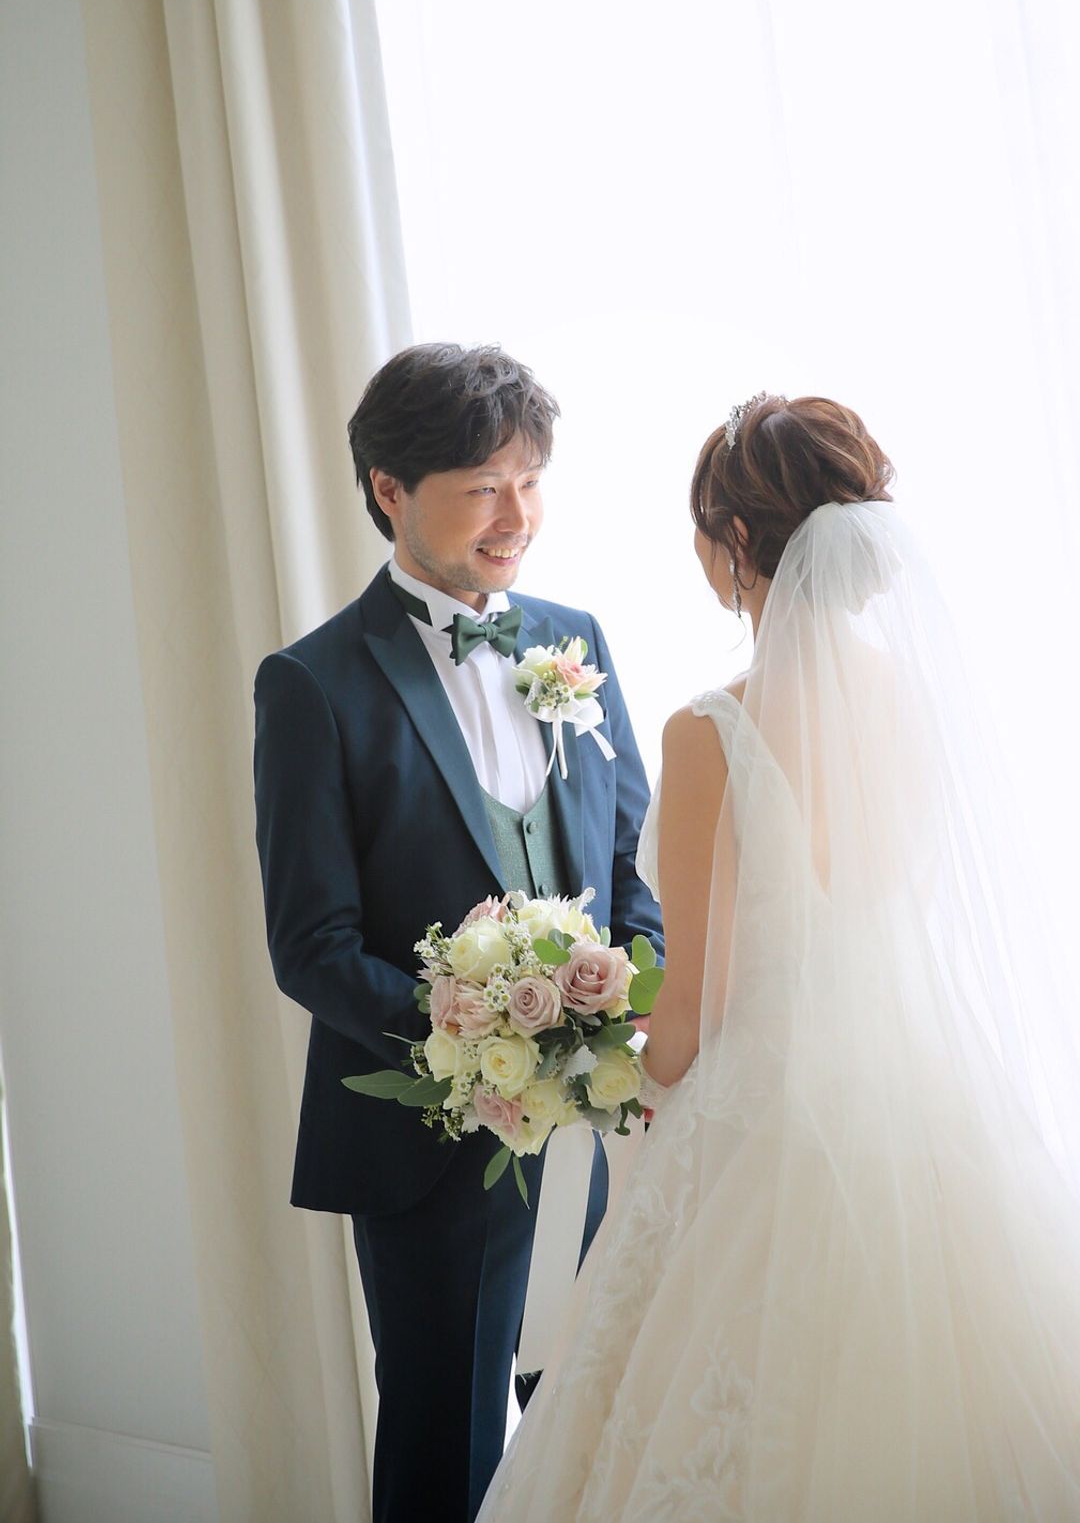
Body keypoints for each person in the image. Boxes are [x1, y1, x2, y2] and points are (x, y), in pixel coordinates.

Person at [479, 391, 1080, 1521]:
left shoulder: (709, 730)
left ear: (738, 541)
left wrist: (593, 1068)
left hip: (766, 1111)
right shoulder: (908, 699)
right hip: (918, 1085)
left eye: (703, 533)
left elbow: (693, 1011)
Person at [253, 343, 663, 1523]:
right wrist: (471, 1042)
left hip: (590, 1132)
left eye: (529, 480)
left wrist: (619, 1009)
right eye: (483, 486)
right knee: (445, 1452)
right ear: (389, 488)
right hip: (424, 1148)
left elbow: (628, 866)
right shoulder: (314, 683)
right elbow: (311, 946)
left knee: (595, 1433)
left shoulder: (574, 639)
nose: (515, 515)